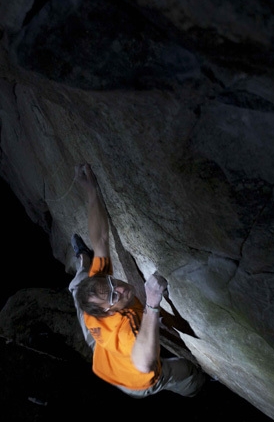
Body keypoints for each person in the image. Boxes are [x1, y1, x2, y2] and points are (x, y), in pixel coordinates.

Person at [68, 163, 207, 399]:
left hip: (98, 343)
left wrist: (91, 191)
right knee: (186, 372)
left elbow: (101, 238)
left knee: (78, 287)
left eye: (112, 283)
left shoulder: (98, 293)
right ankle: (201, 389)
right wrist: (152, 305)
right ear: (109, 312)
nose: (120, 288)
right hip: (132, 379)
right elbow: (144, 363)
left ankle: (82, 258)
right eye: (114, 296)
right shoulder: (125, 332)